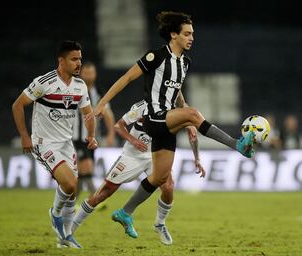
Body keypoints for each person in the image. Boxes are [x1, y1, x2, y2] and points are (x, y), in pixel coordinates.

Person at [94, 11, 255, 238]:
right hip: (153, 117)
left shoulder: (184, 63)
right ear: (173, 35)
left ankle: (126, 211)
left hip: (166, 122)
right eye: (187, 34)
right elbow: (126, 78)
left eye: (192, 34)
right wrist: (102, 104)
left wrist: (188, 119)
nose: (191, 38)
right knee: (193, 113)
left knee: (160, 177)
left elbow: (176, 93)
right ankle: (237, 144)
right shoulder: (156, 56)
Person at [71, 100, 205, 245]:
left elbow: (193, 135)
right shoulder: (143, 106)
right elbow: (119, 126)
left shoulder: (176, 111)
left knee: (168, 187)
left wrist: (197, 158)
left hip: (155, 156)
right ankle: (68, 231)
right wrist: (133, 141)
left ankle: (159, 224)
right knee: (102, 194)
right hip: (132, 156)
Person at [12, 40, 97, 249]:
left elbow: (88, 114)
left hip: (66, 144)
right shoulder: (44, 82)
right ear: (61, 60)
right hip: (44, 143)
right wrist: (24, 135)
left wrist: (92, 135)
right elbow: (18, 105)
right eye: (74, 59)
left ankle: (64, 238)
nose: (79, 63)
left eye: (80, 59)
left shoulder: (80, 85)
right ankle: (55, 213)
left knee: (73, 189)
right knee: (69, 184)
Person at [73, 62, 116, 198]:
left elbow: (108, 113)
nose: (89, 76)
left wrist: (111, 133)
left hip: (91, 138)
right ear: (81, 73)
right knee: (86, 168)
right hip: (75, 138)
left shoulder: (98, 92)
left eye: (92, 73)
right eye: (87, 73)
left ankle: (71, 203)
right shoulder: (73, 89)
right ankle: (95, 199)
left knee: (82, 173)